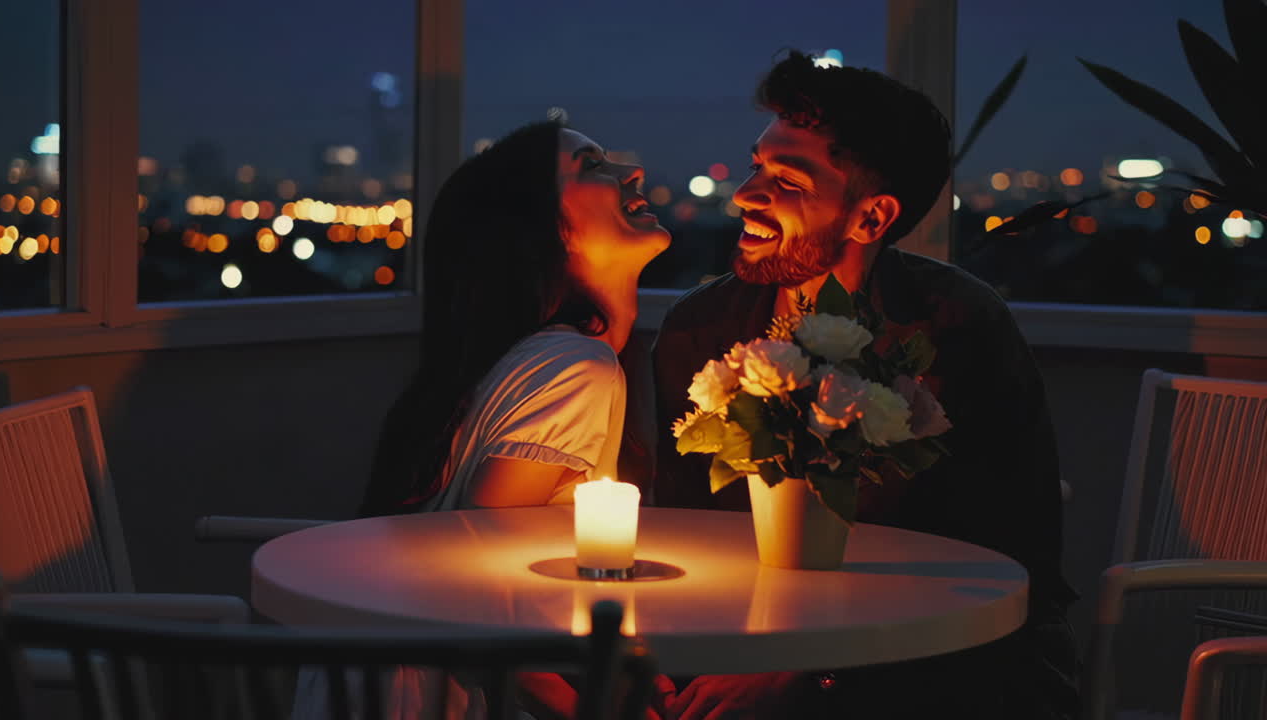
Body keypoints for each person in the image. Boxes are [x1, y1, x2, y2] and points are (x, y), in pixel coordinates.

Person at [651, 50, 1080, 719]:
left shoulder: (955, 330)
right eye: (756, 165)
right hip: (729, 647)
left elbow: (1000, 563)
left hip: (931, 671)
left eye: (786, 180)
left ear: (871, 218)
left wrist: (810, 671)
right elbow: (672, 528)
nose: (743, 194)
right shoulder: (700, 329)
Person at [296, 120, 671, 719]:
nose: (632, 172)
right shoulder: (572, 366)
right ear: (544, 228)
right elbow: (487, 597)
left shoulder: (535, 354)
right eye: (591, 166)